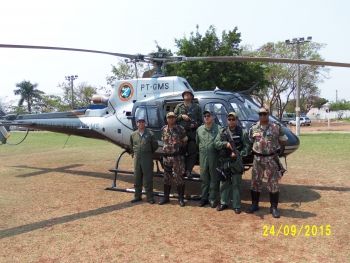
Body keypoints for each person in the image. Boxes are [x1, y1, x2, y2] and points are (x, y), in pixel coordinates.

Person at [246, 107, 288, 218]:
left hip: (271, 159)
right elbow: (250, 140)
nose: (262, 116)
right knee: (255, 182)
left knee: (273, 183)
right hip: (258, 159)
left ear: (268, 114)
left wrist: (280, 151)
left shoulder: (276, 127)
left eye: (265, 114)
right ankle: (255, 205)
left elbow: (284, 139)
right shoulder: (253, 128)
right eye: (260, 114)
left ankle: (273, 207)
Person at [215, 112, 249, 214]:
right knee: (224, 182)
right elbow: (216, 143)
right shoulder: (222, 131)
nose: (231, 121)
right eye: (229, 119)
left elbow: (247, 147)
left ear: (237, 120)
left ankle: (237, 205)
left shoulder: (242, 132)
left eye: (233, 119)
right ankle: (223, 202)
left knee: (236, 183)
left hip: (236, 161)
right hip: (225, 161)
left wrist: (239, 153)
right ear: (227, 120)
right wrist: (226, 144)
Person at [159, 112, 188, 207]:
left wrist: (180, 150)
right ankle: (166, 197)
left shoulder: (180, 129)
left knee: (179, 178)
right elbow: (163, 142)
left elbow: (185, 141)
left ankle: (181, 198)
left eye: (173, 117)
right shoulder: (163, 129)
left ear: (175, 119)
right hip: (167, 158)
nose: (171, 119)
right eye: (169, 118)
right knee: (167, 178)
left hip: (177, 158)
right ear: (167, 119)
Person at [196, 110, 222, 208]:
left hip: (214, 156)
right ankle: (204, 198)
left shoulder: (218, 129)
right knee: (204, 177)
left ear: (213, 117)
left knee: (214, 177)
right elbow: (197, 142)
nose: (206, 117)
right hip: (203, 156)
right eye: (205, 116)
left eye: (208, 116)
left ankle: (212, 198)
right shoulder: (199, 129)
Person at [129, 115, 158, 204]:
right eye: (139, 122)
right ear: (137, 124)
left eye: (142, 122)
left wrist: (148, 152)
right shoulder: (133, 134)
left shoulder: (150, 134)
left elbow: (155, 145)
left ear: (145, 123)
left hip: (147, 158)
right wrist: (135, 153)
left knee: (148, 178)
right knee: (137, 178)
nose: (141, 123)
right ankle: (137, 196)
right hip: (137, 159)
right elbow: (131, 146)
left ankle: (150, 197)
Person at [174, 90, 202, 178]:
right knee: (181, 153)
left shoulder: (197, 107)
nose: (186, 95)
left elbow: (201, 120)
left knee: (192, 153)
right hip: (181, 134)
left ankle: (188, 171)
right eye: (185, 94)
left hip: (192, 133)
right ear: (183, 96)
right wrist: (181, 116)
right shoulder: (179, 106)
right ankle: (181, 170)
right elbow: (173, 118)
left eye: (188, 94)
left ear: (191, 96)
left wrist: (195, 124)